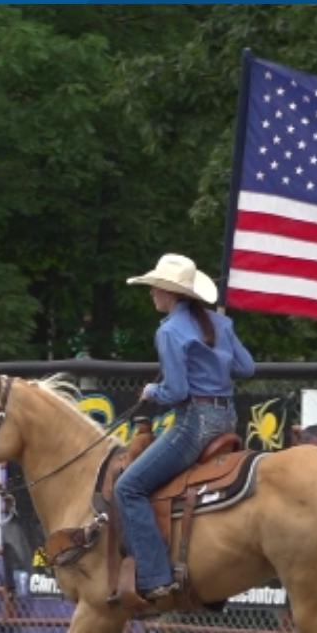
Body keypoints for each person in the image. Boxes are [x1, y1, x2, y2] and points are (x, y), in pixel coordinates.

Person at [115, 253, 256, 603]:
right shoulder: (220, 324)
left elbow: (176, 391)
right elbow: (247, 368)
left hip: (195, 423)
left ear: (169, 293)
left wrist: (151, 391)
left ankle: (155, 577)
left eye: (155, 288)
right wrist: (216, 361)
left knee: (128, 488)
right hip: (227, 419)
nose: (152, 294)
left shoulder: (169, 331)